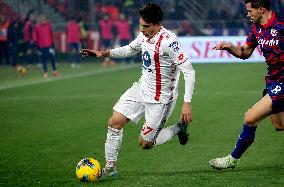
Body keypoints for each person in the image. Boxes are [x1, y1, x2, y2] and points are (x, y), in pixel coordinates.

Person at [81, 3, 195, 177]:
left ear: (158, 24)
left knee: (145, 144)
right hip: (141, 88)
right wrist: (102, 53)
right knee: (114, 122)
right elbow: (129, 49)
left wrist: (187, 104)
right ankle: (110, 169)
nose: (142, 30)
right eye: (141, 25)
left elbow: (189, 71)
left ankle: (178, 128)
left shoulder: (169, 42)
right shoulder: (144, 35)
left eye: (146, 26)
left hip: (160, 100)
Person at [209, 0, 284, 170]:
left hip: (282, 83)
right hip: (272, 80)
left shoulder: (281, 26)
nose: (248, 14)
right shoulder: (256, 29)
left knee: (250, 118)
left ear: (262, 9)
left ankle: (232, 160)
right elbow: (245, 52)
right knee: (279, 126)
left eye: (250, 11)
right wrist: (229, 47)